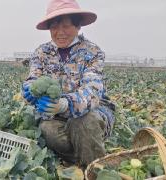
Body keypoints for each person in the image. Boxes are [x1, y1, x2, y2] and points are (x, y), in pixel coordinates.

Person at [22, 0, 115, 168]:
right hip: (56, 116)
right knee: (46, 130)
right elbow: (33, 78)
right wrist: (30, 89)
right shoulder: (41, 53)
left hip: (93, 111)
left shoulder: (93, 52)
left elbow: (92, 91)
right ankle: (81, 159)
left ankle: (95, 170)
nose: (60, 32)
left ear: (78, 26)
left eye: (66, 26)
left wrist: (65, 104)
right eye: (54, 27)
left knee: (82, 123)